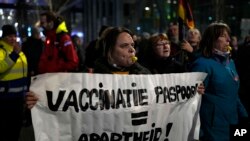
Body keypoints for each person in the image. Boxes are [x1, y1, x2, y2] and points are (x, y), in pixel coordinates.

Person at [191, 22, 248, 141]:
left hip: (233, 122)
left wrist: (244, 116)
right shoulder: (202, 64)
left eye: (228, 35)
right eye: (223, 36)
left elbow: (234, 94)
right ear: (211, 40)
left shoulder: (230, 62)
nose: (228, 39)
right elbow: (193, 99)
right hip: (213, 127)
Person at [0, 24, 28, 140]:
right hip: (6, 99)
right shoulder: (2, 50)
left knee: (16, 129)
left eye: (14, 36)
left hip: (19, 98)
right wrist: (14, 55)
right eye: (9, 36)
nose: (13, 39)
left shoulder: (18, 50)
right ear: (4, 37)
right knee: (7, 131)